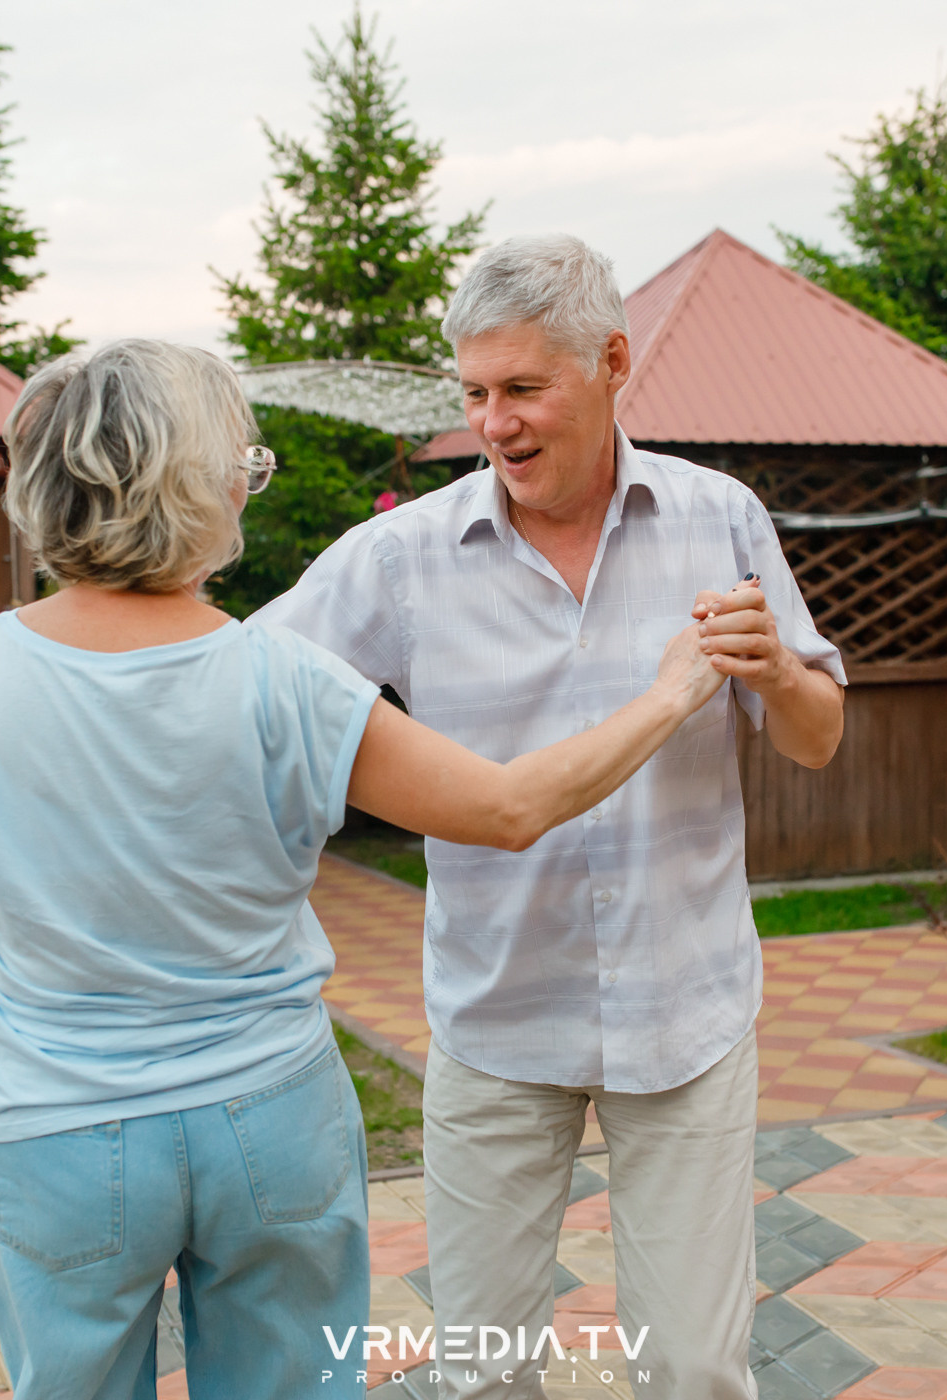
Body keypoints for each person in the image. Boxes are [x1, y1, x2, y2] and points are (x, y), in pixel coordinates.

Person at [0, 338, 727, 1400]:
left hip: (59, 1131)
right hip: (271, 1122)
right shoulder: (283, 676)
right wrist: (672, 692)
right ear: (195, 490)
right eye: (242, 468)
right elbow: (508, 806)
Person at [259, 234, 846, 1399]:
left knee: (693, 1368)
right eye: (475, 392)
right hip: (495, 1026)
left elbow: (819, 736)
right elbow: (237, 685)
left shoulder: (718, 517)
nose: (495, 421)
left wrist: (776, 673)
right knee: (481, 1375)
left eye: (525, 388)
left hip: (688, 1017)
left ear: (613, 361)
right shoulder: (401, 557)